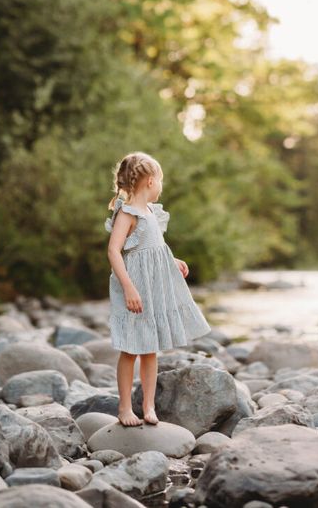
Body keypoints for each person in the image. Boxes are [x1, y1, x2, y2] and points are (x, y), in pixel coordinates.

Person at [105, 151, 212, 427]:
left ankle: (149, 406)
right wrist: (128, 288)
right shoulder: (127, 213)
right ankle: (125, 408)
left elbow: (153, 247)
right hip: (135, 290)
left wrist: (171, 260)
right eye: (161, 181)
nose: (162, 186)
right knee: (130, 348)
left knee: (150, 348)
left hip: (153, 288)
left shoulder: (152, 212)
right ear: (151, 181)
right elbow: (114, 251)